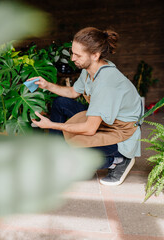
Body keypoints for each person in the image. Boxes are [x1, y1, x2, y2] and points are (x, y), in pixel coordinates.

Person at [27, 27, 142, 186]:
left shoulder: (106, 83)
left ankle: (119, 159)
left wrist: (51, 125)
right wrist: (47, 85)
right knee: (60, 103)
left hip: (120, 133)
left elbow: (89, 129)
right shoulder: (90, 70)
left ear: (95, 55)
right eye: (72, 52)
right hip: (103, 122)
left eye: (78, 55)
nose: (73, 58)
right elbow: (73, 92)